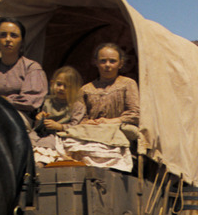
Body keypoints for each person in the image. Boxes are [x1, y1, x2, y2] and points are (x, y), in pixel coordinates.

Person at [56, 43, 139, 172]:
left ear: (120, 64)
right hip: (90, 130)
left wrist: (111, 121)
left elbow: (134, 113)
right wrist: (88, 122)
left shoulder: (128, 84)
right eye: (103, 61)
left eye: (112, 61)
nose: (107, 65)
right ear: (96, 62)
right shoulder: (86, 89)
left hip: (116, 129)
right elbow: (79, 116)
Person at [0, 17, 48, 129]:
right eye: (3, 35)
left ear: (22, 41)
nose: (8, 39)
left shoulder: (31, 68)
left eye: (13, 35)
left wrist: (5, 100)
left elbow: (31, 100)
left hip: (18, 116)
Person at [31, 66, 85, 166]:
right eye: (59, 84)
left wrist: (59, 126)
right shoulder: (47, 101)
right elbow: (38, 126)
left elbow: (76, 126)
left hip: (61, 136)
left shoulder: (76, 106)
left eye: (66, 86)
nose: (61, 89)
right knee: (28, 139)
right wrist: (40, 119)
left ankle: (40, 165)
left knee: (46, 146)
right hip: (43, 133)